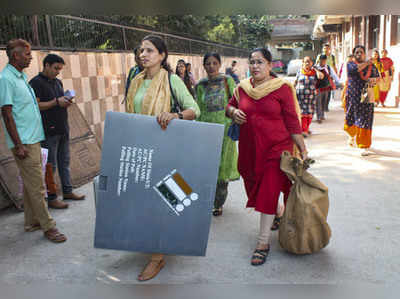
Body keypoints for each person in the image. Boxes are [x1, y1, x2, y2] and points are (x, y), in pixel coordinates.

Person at [125, 35, 200, 281]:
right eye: (141, 50)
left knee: (163, 199)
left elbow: (194, 109)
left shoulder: (171, 80)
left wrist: (174, 116)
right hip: (139, 148)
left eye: (149, 50)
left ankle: (157, 257)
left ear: (162, 55)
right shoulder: (135, 81)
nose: (143, 54)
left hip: (165, 148)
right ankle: (159, 241)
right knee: (143, 199)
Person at [225, 47, 307, 266]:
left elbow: (291, 120)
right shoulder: (242, 88)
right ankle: (278, 212)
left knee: (268, 189)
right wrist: (234, 113)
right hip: (250, 149)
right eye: (252, 62)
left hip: (277, 148)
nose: (255, 66)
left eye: (260, 62)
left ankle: (262, 243)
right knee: (253, 184)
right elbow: (229, 107)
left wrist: (302, 147)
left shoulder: (281, 88)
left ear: (270, 65)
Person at [0, 39, 66, 243]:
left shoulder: (20, 77)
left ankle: (31, 221)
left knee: (31, 185)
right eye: (27, 54)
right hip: (24, 142)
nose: (30, 57)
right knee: (38, 185)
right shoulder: (6, 79)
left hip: (33, 138)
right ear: (15, 55)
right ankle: (49, 226)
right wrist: (18, 145)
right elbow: (7, 113)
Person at [29, 54, 85, 208]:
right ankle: (52, 198)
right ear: (46, 65)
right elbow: (35, 106)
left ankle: (67, 191)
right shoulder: (35, 83)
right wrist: (56, 102)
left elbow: (59, 102)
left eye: (60, 69)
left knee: (64, 162)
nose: (58, 72)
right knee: (50, 166)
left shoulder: (57, 82)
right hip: (48, 131)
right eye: (55, 68)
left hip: (62, 128)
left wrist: (65, 101)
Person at [195, 53, 240, 217]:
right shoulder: (200, 85)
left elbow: (235, 103)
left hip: (225, 132)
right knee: (207, 167)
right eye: (208, 63)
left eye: (214, 63)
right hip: (206, 132)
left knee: (222, 167)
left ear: (220, 64)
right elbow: (198, 108)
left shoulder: (227, 81)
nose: (211, 66)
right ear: (204, 66)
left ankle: (218, 203)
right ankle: (207, 199)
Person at [344, 45, 380, 156]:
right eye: (357, 52)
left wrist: (373, 81)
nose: (359, 54)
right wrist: (367, 63)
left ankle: (363, 145)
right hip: (353, 95)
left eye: (361, 52)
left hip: (367, 92)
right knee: (351, 117)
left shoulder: (371, 66)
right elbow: (356, 70)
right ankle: (352, 135)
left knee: (365, 119)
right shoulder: (350, 64)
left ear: (365, 54)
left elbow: (377, 78)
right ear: (354, 54)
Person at [294, 56, 324, 137]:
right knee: (302, 113)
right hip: (300, 97)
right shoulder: (300, 72)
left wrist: (316, 69)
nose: (307, 63)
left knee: (310, 113)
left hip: (311, 97)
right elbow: (295, 82)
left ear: (311, 63)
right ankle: (304, 130)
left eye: (309, 61)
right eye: (305, 62)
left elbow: (321, 76)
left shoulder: (314, 72)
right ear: (303, 63)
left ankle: (306, 128)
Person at [316, 43, 338, 112]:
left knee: (328, 92)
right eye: (325, 48)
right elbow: (316, 64)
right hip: (322, 75)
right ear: (323, 49)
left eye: (327, 48)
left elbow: (334, 66)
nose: (326, 49)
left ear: (329, 49)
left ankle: (326, 106)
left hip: (329, 75)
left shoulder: (332, 57)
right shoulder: (320, 56)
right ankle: (322, 107)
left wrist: (336, 76)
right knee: (322, 91)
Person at [315, 55, 335, 123]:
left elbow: (334, 75)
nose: (323, 62)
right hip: (318, 88)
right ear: (319, 60)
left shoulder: (328, 67)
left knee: (324, 101)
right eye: (321, 60)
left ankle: (322, 114)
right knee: (318, 102)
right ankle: (319, 117)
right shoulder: (315, 68)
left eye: (324, 60)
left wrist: (339, 82)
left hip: (326, 88)